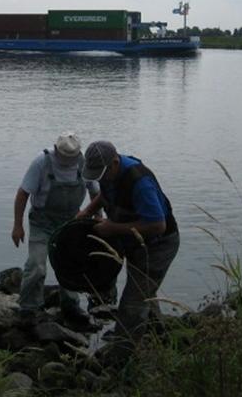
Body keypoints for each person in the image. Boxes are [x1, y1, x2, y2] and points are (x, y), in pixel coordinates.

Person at [77, 140, 180, 353]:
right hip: (135, 242)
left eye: (101, 174)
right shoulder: (109, 173)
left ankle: (122, 357)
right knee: (144, 291)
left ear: (115, 162)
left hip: (159, 245)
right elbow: (104, 195)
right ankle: (159, 337)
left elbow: (158, 225)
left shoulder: (140, 182)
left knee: (133, 301)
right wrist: (87, 211)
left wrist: (112, 228)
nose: (100, 179)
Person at [12, 132, 99, 323]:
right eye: (64, 156)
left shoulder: (83, 164)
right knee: (36, 266)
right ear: (56, 150)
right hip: (41, 222)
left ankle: (70, 306)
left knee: (69, 266)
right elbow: (23, 194)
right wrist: (17, 226)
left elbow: (96, 194)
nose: (68, 160)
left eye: (72, 157)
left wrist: (98, 218)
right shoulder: (41, 162)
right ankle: (28, 308)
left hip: (70, 223)